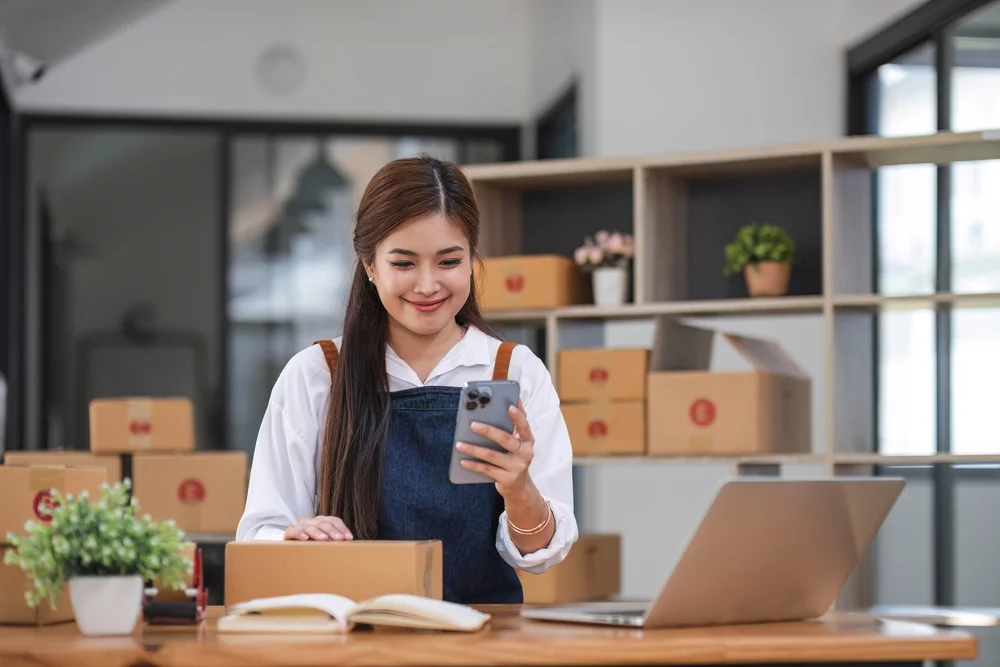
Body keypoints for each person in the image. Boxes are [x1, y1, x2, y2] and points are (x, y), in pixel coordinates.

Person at [236, 155, 578, 604]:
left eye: (449, 261)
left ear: (471, 261)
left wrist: (520, 491)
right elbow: (259, 531)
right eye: (404, 263)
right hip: (354, 641)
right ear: (370, 265)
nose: (428, 284)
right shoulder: (317, 374)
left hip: (483, 640)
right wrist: (296, 537)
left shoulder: (511, 371)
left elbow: (541, 554)